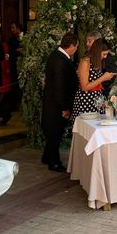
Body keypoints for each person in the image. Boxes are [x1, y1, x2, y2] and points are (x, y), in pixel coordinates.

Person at [41, 32, 79, 172]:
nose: (76, 49)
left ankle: (47, 156)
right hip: (56, 105)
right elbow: (59, 86)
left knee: (54, 132)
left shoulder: (57, 55)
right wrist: (64, 108)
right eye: (76, 46)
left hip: (54, 102)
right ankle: (54, 162)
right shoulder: (59, 59)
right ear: (72, 45)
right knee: (55, 133)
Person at [72, 39, 117, 121]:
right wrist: (103, 78)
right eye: (104, 54)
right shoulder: (85, 62)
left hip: (96, 101)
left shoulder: (96, 62)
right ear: (97, 51)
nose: (105, 57)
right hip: (85, 101)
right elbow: (84, 87)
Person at [85, 30, 117, 95]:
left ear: (97, 42)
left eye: (89, 41)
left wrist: (99, 85)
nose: (87, 44)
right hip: (87, 93)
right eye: (86, 41)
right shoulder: (86, 55)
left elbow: (112, 75)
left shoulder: (107, 57)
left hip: (101, 93)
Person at [0, 29, 11, 126]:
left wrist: (7, 66)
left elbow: (5, 57)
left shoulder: (1, 44)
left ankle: (5, 114)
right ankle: (4, 114)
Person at [8, 22, 23, 108]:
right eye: (11, 28)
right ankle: (15, 104)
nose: (12, 30)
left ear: (18, 28)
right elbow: (13, 52)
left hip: (23, 66)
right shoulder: (11, 40)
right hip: (14, 66)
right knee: (14, 85)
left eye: (13, 28)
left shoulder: (25, 36)